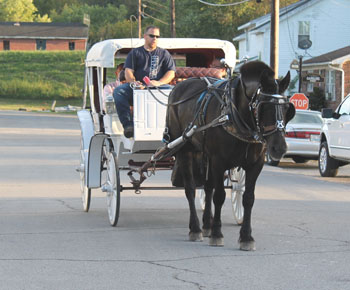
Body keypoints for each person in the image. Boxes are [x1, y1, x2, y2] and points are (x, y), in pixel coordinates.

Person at [113, 26, 176, 138]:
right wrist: (134, 82)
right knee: (118, 91)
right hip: (138, 88)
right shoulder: (135, 53)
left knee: (174, 92)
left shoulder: (164, 53)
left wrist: (159, 82)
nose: (155, 38)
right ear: (145, 36)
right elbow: (128, 72)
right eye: (152, 36)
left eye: (157, 36)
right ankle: (128, 125)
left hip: (158, 87)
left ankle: (174, 126)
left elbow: (171, 73)